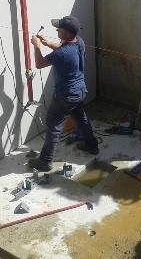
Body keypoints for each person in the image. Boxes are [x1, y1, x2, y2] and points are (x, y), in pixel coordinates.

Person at [28, 16, 99, 171]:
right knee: (81, 118)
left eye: (58, 28)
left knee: (53, 125)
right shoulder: (78, 41)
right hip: (80, 91)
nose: (56, 30)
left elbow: (40, 64)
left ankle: (45, 161)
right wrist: (47, 43)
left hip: (65, 95)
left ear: (66, 33)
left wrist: (37, 46)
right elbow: (62, 50)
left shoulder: (63, 53)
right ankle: (91, 145)